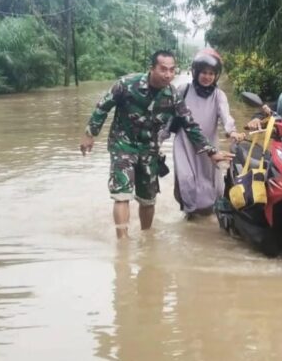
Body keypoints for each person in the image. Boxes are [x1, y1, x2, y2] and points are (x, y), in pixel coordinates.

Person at [79, 50, 232, 239]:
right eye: (163, 69)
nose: (168, 74)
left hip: (150, 149)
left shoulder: (173, 96)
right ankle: (123, 242)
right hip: (123, 144)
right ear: (152, 68)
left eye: (172, 70)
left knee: (148, 200)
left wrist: (211, 152)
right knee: (122, 193)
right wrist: (90, 134)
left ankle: (146, 237)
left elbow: (190, 125)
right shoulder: (127, 84)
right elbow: (103, 107)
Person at [164, 48, 242, 219]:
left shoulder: (219, 95)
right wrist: (158, 140)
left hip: (209, 146)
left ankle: (209, 218)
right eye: (203, 72)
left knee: (210, 184)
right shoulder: (183, 89)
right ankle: (190, 216)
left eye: (211, 73)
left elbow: (226, 116)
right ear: (195, 72)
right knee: (187, 181)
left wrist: (232, 131)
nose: (207, 77)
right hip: (184, 145)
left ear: (216, 76)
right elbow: (168, 118)